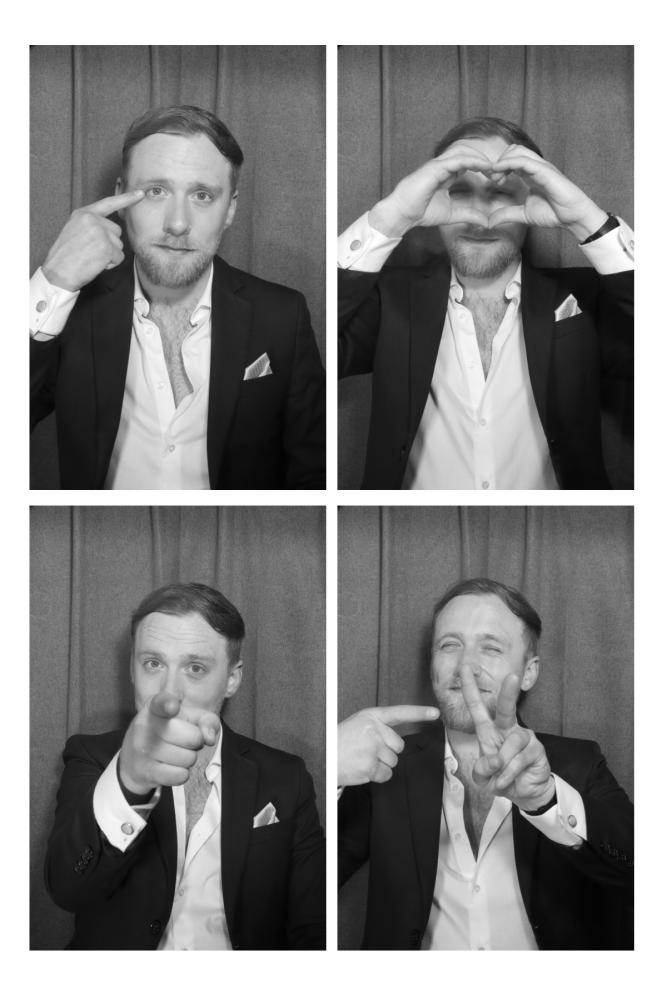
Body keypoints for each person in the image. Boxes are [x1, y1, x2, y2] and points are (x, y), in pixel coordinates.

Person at [30, 105, 325, 489]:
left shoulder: (284, 316)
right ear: (120, 197)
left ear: (230, 209)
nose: (178, 223)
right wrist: (53, 282)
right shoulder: (70, 310)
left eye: (202, 195)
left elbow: (313, 474)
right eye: (155, 191)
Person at [338, 117, 634, 489]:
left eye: (502, 193)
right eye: (461, 191)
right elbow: (314, 348)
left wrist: (587, 220)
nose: (480, 218)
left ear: (535, 199)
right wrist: (391, 217)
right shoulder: (388, 298)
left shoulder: (587, 298)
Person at [337, 578, 633, 949]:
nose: (466, 667)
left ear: (529, 672)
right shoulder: (386, 766)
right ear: (432, 664)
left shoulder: (580, 763)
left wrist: (547, 801)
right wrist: (336, 773)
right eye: (450, 645)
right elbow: (310, 884)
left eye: (490, 648)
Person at [45, 583, 325, 949]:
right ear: (132, 670)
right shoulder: (92, 756)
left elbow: (312, 928)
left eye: (195, 668)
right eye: (153, 663)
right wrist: (128, 781)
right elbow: (67, 890)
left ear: (232, 679)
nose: (169, 692)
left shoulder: (286, 777)